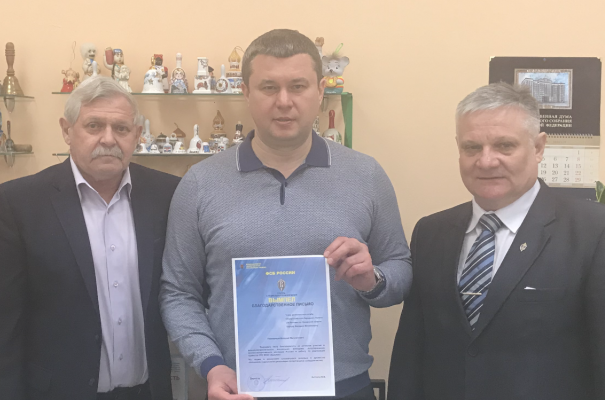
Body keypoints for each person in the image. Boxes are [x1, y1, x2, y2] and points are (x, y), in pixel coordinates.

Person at [160, 29, 412, 400]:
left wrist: (372, 279)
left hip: (343, 388)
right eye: (268, 87)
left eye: (297, 86)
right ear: (246, 92)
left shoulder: (366, 175)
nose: (284, 101)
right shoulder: (199, 183)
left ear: (320, 90)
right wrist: (211, 364)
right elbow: (178, 293)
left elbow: (401, 269)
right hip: (238, 389)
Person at [388, 82, 605, 400]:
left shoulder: (592, 231)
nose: (486, 161)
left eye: (504, 146)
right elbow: (411, 353)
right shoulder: (431, 233)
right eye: (472, 147)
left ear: (538, 147)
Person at [0, 77, 180, 400]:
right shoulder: (20, 205)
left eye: (121, 128)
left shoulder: (168, 195)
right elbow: (0, 331)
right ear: (67, 130)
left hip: (149, 391)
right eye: (94, 125)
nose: (108, 139)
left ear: (138, 134)